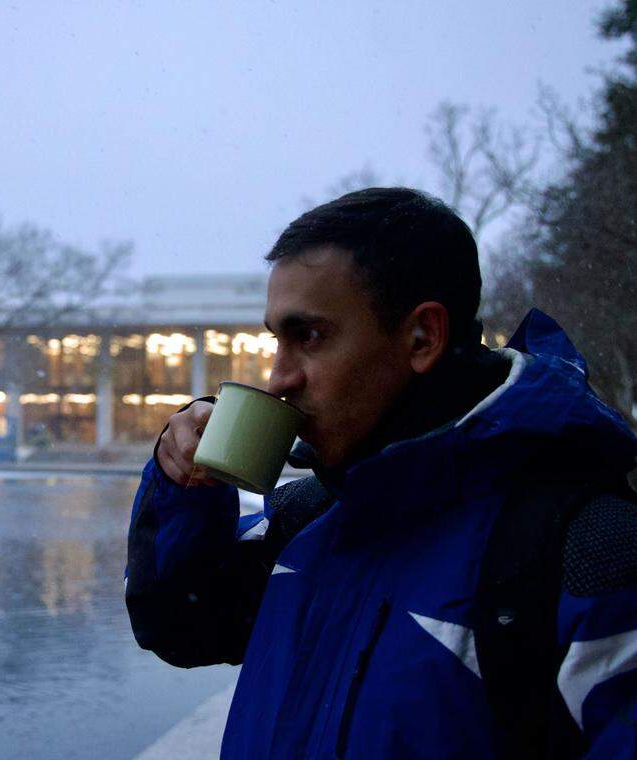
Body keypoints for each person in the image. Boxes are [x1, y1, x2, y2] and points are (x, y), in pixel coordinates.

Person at [125, 187, 637, 758]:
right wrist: (186, 486)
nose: (277, 379)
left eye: (309, 337)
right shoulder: (311, 517)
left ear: (423, 337)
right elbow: (180, 625)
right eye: (278, 340)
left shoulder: (593, 559)